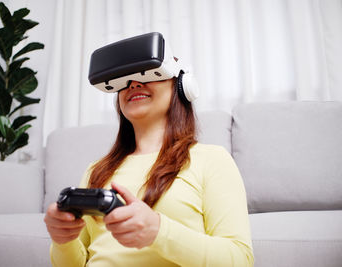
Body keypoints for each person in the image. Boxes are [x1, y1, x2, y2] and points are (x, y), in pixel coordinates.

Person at [44, 33, 254, 266]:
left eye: (148, 73)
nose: (133, 83)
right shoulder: (96, 170)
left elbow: (240, 259)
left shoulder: (211, 160)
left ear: (182, 87)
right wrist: (63, 239)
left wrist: (158, 231)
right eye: (124, 80)